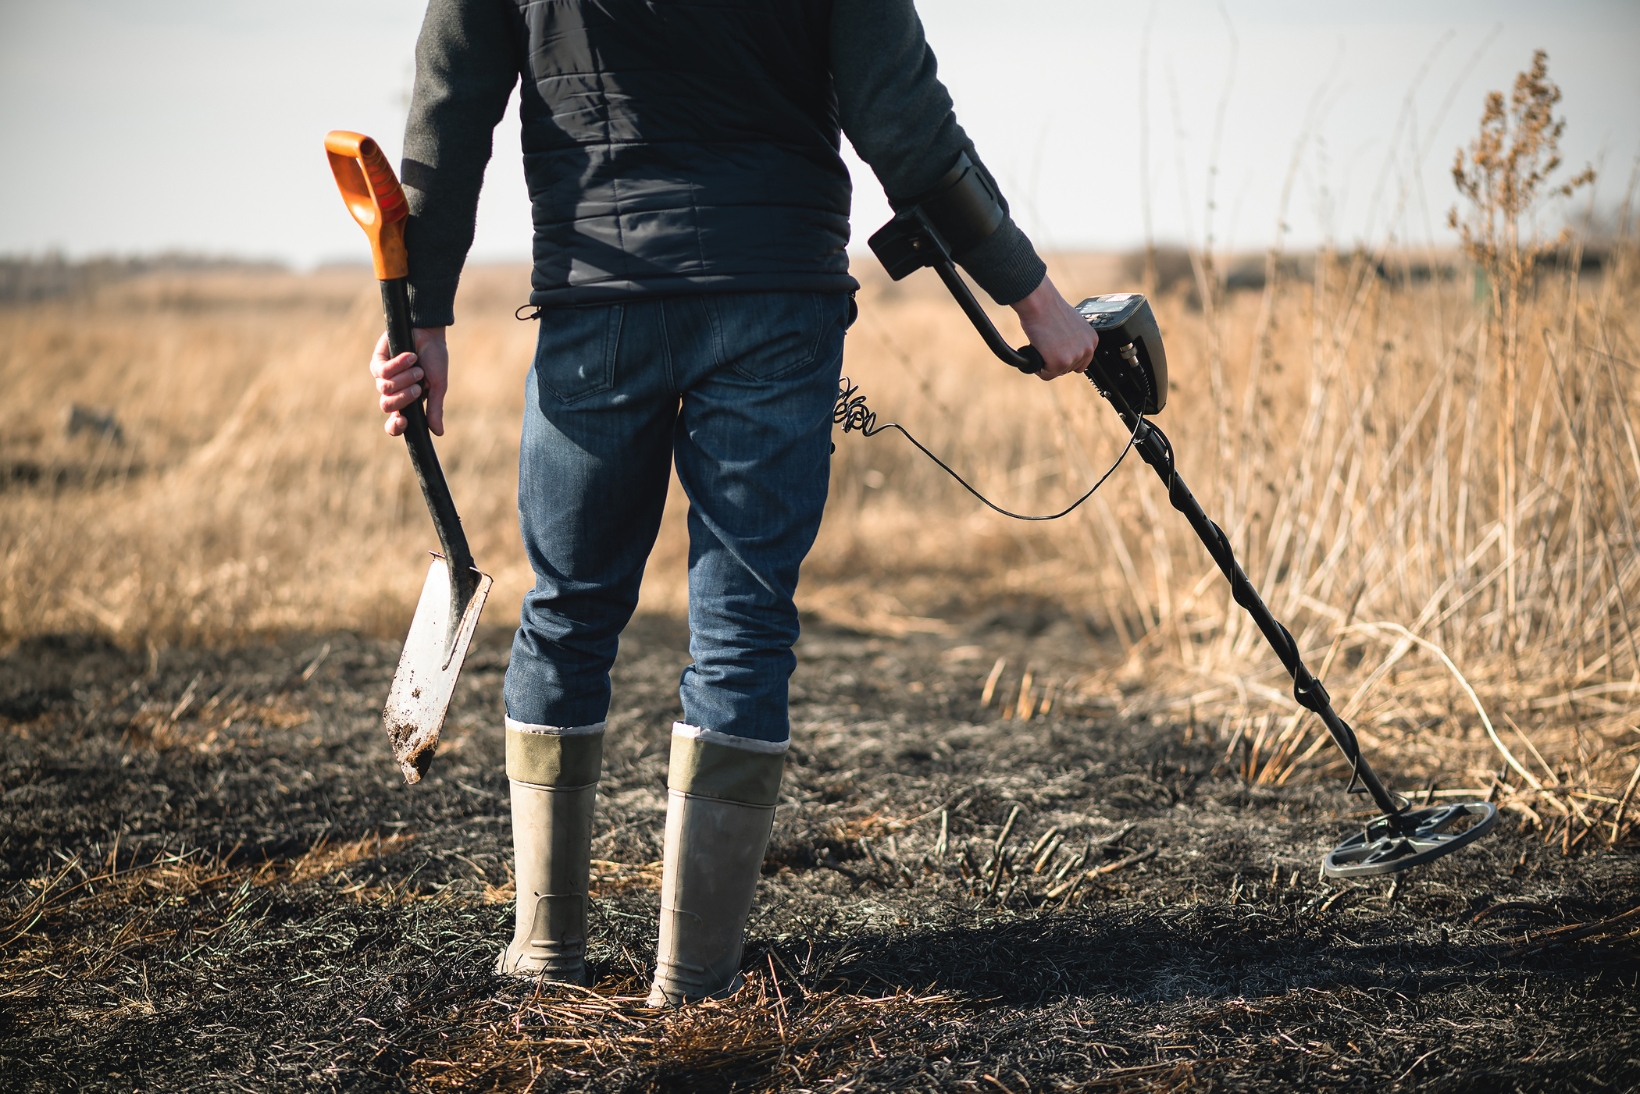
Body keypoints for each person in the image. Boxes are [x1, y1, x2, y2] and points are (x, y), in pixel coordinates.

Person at [367, 0, 1096, 1006]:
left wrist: (422, 317)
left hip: (597, 303)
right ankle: (694, 980)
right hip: (774, 299)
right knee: (742, 625)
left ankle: (544, 955)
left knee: (568, 610)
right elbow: (907, 131)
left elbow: (445, 117)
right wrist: (1033, 296)